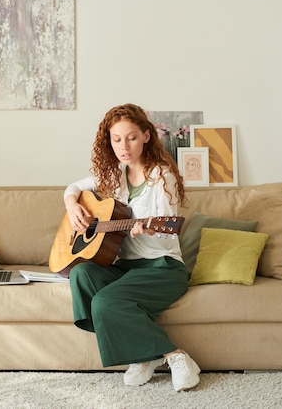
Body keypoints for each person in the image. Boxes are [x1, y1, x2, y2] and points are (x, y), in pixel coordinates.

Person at [64, 103, 200, 392]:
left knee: (105, 302)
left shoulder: (163, 178)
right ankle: (141, 352)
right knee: (81, 274)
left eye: (131, 138)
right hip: (125, 269)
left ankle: (176, 356)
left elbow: (168, 233)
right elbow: (74, 186)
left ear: (146, 136)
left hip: (162, 267)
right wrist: (72, 204)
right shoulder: (114, 175)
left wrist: (148, 227)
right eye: (116, 139)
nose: (123, 146)